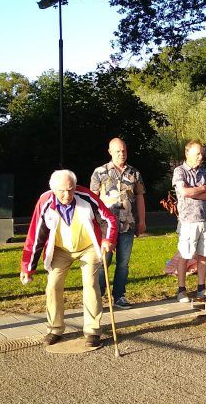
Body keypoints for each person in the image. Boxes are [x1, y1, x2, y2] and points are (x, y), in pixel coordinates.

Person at [20, 170, 117, 347]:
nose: (67, 195)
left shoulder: (86, 196)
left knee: (90, 283)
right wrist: (28, 267)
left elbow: (108, 219)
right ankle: (54, 329)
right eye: (62, 191)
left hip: (88, 247)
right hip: (60, 249)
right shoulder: (45, 202)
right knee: (53, 285)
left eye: (71, 190)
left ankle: (92, 331)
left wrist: (107, 240)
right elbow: (36, 236)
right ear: (53, 189)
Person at [90, 138, 147, 309]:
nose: (121, 154)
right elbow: (92, 200)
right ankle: (98, 296)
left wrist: (142, 221)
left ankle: (119, 296)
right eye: (118, 151)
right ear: (110, 152)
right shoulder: (100, 172)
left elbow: (140, 198)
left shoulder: (135, 173)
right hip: (106, 227)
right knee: (103, 262)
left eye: (124, 150)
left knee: (123, 264)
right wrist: (93, 224)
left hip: (128, 225)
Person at [172, 140, 206, 303]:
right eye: (197, 154)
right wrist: (203, 188)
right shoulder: (179, 171)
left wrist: (194, 192)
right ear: (187, 153)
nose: (201, 157)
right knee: (185, 255)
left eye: (202, 154)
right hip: (188, 221)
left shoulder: (204, 171)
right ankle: (182, 290)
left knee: (204, 255)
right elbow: (184, 192)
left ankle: (201, 289)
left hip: (205, 219)